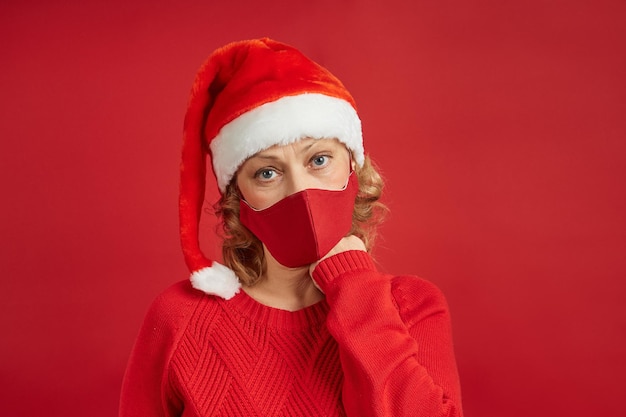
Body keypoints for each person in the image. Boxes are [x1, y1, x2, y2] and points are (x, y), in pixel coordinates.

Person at [119, 38, 463, 417]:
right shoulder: (180, 317)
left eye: (319, 159)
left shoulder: (412, 306)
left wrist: (354, 286)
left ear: (354, 169)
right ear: (238, 198)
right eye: (267, 172)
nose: (301, 190)